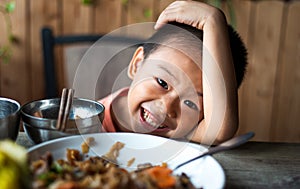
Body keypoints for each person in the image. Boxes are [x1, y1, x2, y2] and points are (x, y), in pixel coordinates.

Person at [98, 1, 247, 145]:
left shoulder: (179, 131)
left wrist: (212, 20)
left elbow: (219, 129)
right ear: (137, 64)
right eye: (162, 83)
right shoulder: (87, 125)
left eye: (190, 103)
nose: (167, 107)